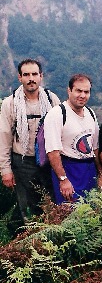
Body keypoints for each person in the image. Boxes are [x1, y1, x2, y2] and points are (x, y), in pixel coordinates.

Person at [0, 59, 60, 222]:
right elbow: (4, 137)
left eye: (34, 74)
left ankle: (51, 240)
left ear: (41, 76)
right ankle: (30, 241)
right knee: (27, 206)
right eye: (26, 75)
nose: (31, 78)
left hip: (49, 161)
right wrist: (5, 170)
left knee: (52, 202)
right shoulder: (10, 103)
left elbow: (61, 130)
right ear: (20, 77)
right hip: (23, 162)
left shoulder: (51, 99)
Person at [44, 74, 102, 205]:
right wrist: (63, 179)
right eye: (78, 91)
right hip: (69, 169)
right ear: (69, 90)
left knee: (92, 212)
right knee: (70, 214)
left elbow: (94, 148)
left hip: (89, 171)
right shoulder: (57, 114)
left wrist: (101, 175)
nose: (82, 95)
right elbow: (53, 151)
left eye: (86, 92)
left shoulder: (90, 113)